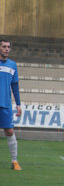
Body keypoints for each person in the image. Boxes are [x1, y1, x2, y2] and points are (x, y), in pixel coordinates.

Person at [0, 39, 22, 171]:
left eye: (8, 47)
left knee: (9, 131)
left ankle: (14, 161)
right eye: (4, 46)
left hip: (5, 104)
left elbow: (15, 85)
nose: (6, 49)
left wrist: (18, 104)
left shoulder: (13, 65)